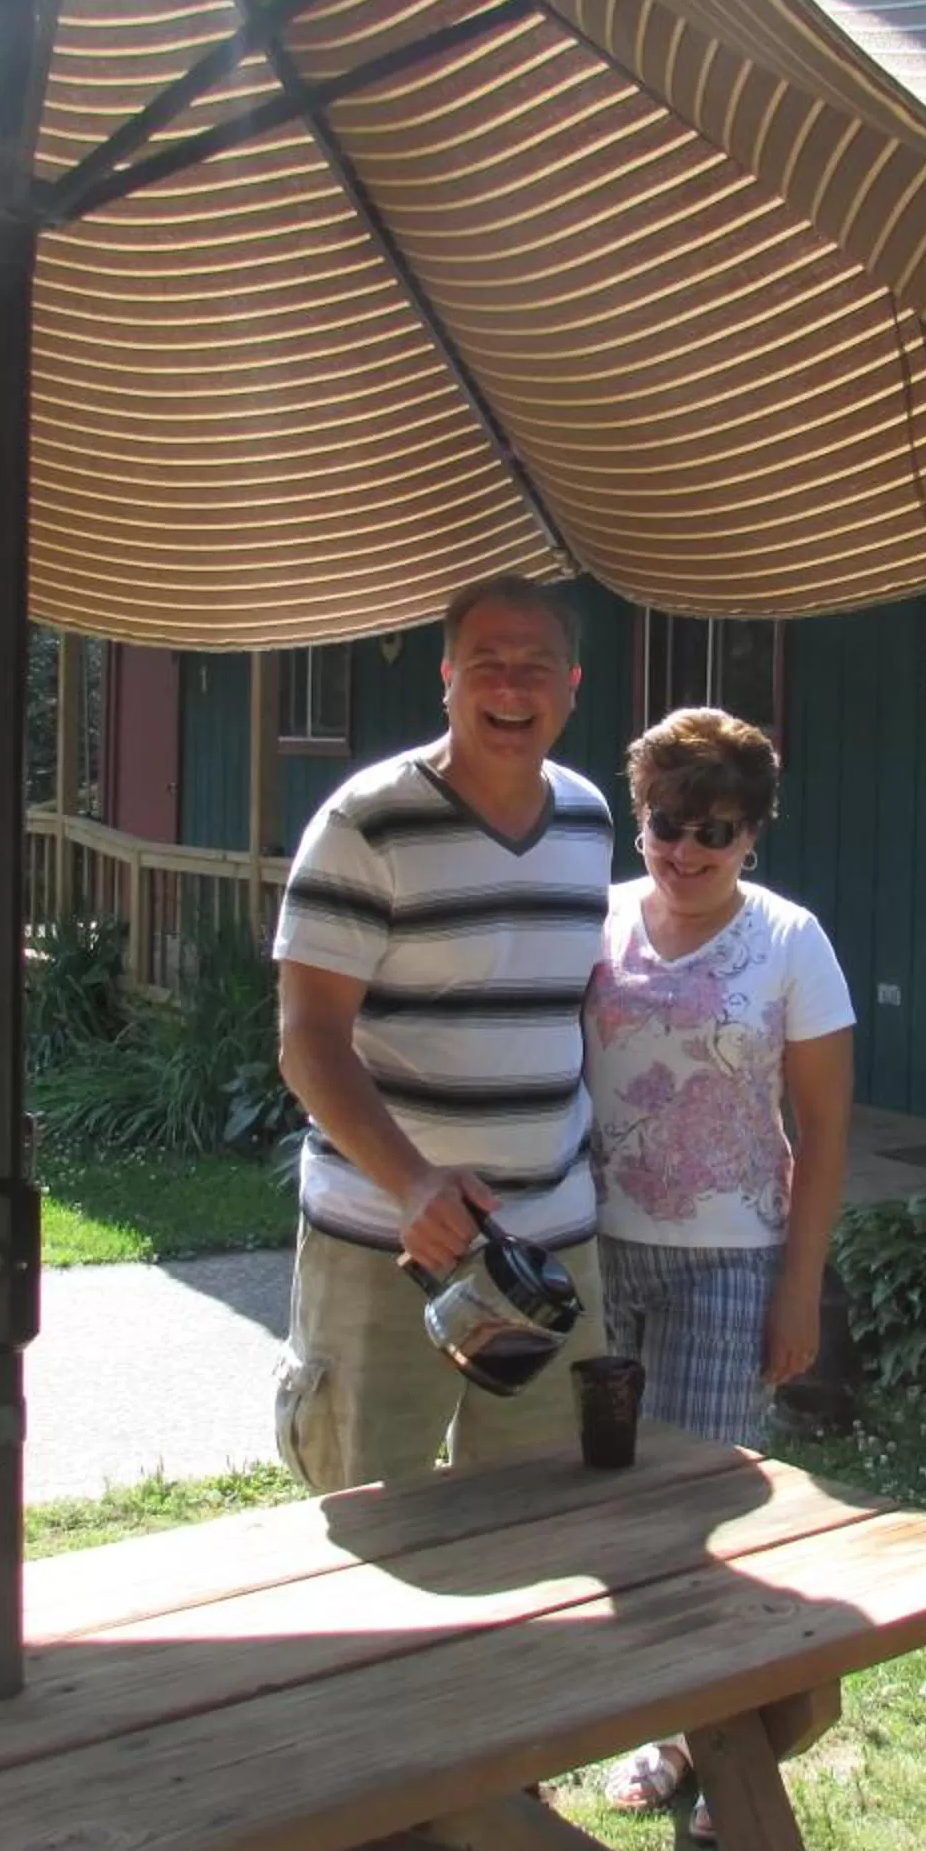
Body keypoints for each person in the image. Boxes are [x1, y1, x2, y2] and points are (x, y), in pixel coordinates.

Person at [270, 573, 615, 1491]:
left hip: (549, 1246)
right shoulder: (363, 823)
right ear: (447, 679)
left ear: (573, 683)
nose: (511, 688)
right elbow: (307, 1042)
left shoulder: (589, 819)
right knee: (365, 1519)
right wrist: (414, 1184)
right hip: (387, 1241)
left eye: (535, 665)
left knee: (544, 1517)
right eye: (487, 664)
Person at [582, 705, 855, 1833]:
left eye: (716, 828)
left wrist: (800, 1287)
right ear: (638, 817)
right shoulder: (590, 924)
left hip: (728, 1259)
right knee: (586, 1500)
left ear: (754, 835)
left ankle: (715, 1743)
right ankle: (632, 1714)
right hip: (589, 1254)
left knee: (698, 1512)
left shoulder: (792, 942)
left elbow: (829, 1132)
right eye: (665, 822)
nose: (686, 850)